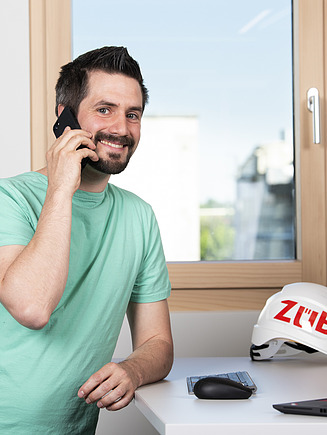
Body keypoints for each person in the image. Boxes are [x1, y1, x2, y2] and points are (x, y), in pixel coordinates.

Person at [0, 46, 173, 434]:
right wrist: (61, 188)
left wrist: (132, 369)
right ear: (65, 117)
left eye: (133, 114)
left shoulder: (139, 217)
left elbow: (158, 343)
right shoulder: (8, 198)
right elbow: (31, 307)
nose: (122, 129)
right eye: (104, 109)